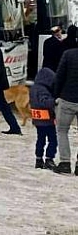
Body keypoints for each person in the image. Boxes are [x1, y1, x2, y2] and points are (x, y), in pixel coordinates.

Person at [53, 46, 78, 175]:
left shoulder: (68, 54)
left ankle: (65, 163)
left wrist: (55, 95)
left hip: (67, 98)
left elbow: (59, 76)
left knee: (62, 131)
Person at [30, 67, 57, 171]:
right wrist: (54, 101)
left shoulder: (33, 88)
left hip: (37, 120)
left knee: (40, 140)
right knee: (52, 140)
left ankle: (38, 159)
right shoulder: (43, 90)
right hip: (47, 120)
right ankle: (49, 158)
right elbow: (44, 102)